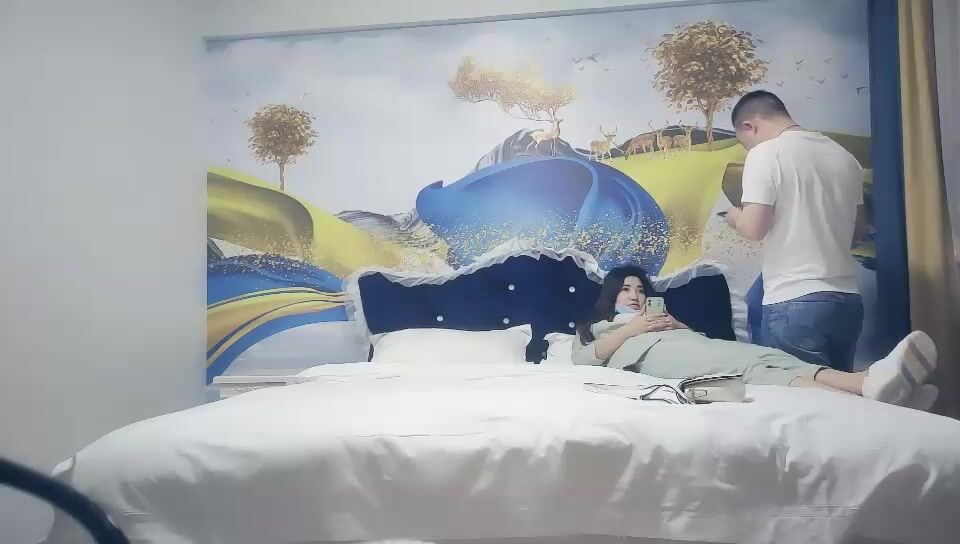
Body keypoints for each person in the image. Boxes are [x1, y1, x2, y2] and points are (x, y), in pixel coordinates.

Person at [573, 266, 939, 409]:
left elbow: (695, 340)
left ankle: (870, 386)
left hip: (695, 346)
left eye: (640, 289)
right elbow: (584, 358)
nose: (635, 295)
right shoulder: (598, 326)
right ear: (611, 295)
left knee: (770, 359)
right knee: (750, 367)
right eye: (626, 289)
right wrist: (634, 329)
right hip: (657, 359)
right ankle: (876, 396)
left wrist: (676, 324)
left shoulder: (661, 317)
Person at [723, 90, 871, 372]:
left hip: (793, 300)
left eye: (744, 143)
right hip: (846, 300)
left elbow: (754, 228)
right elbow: (859, 230)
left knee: (799, 392)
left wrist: (735, 217)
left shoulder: (765, 153)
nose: (747, 149)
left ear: (749, 126)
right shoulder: (844, 157)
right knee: (841, 391)